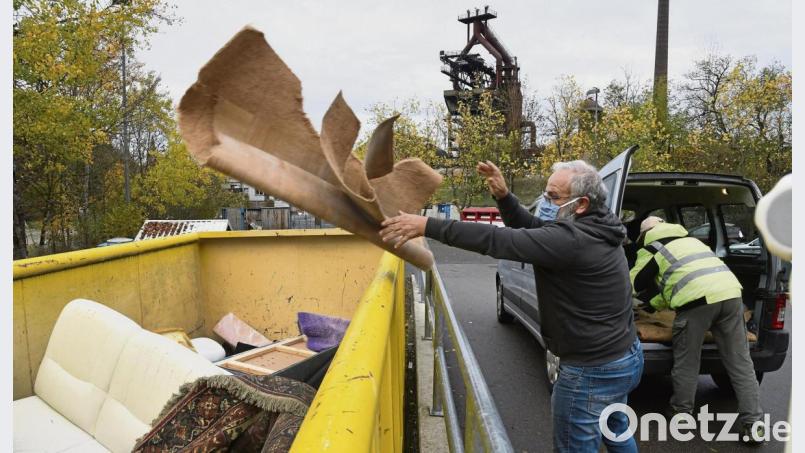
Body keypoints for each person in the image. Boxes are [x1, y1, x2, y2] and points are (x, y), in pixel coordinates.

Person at [381, 160, 643, 452]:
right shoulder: (599, 227)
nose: (545, 203)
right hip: (624, 356)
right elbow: (534, 227)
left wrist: (427, 225)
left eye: (553, 197)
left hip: (590, 370)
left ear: (581, 204)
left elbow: (496, 239)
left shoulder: (572, 241)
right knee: (616, 431)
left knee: (574, 446)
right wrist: (504, 197)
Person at [630, 216, 764, 442]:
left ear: (644, 235)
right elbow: (684, 280)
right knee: (741, 364)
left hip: (696, 305)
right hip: (731, 296)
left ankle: (681, 413)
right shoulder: (693, 241)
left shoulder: (652, 248)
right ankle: (754, 425)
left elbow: (633, 285)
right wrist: (655, 304)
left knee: (688, 362)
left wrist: (638, 300)